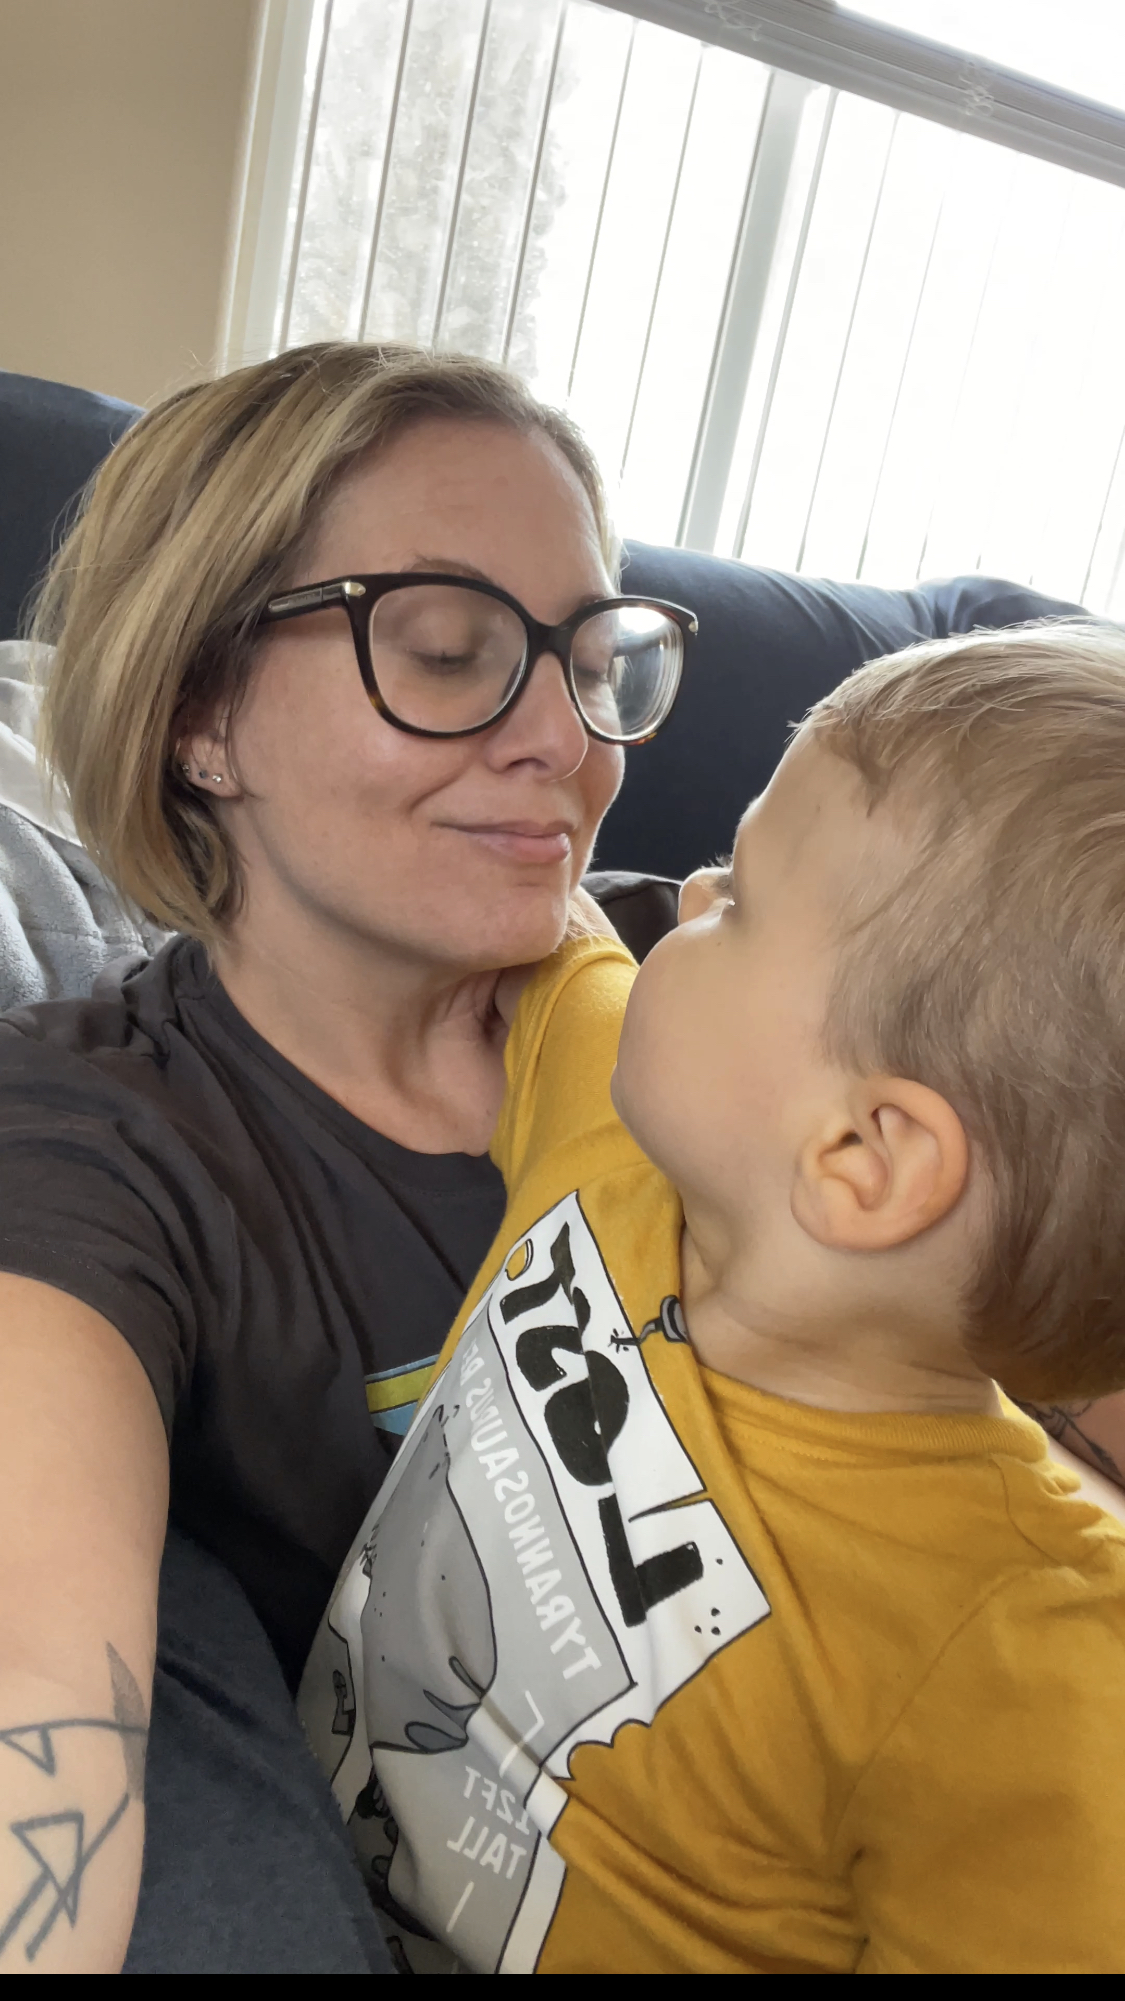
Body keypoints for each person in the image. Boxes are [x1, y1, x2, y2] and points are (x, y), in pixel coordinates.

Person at [0, 341, 687, 1973]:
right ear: (201, 717)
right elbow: (45, 1673)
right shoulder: (99, 1133)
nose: (565, 738)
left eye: (596, 662)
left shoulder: (715, 993)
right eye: (448, 652)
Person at [305, 623, 1125, 1974]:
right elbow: (567, 947)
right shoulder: (611, 1135)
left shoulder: (1025, 1658)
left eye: (737, 899)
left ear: (861, 1157)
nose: (682, 891)